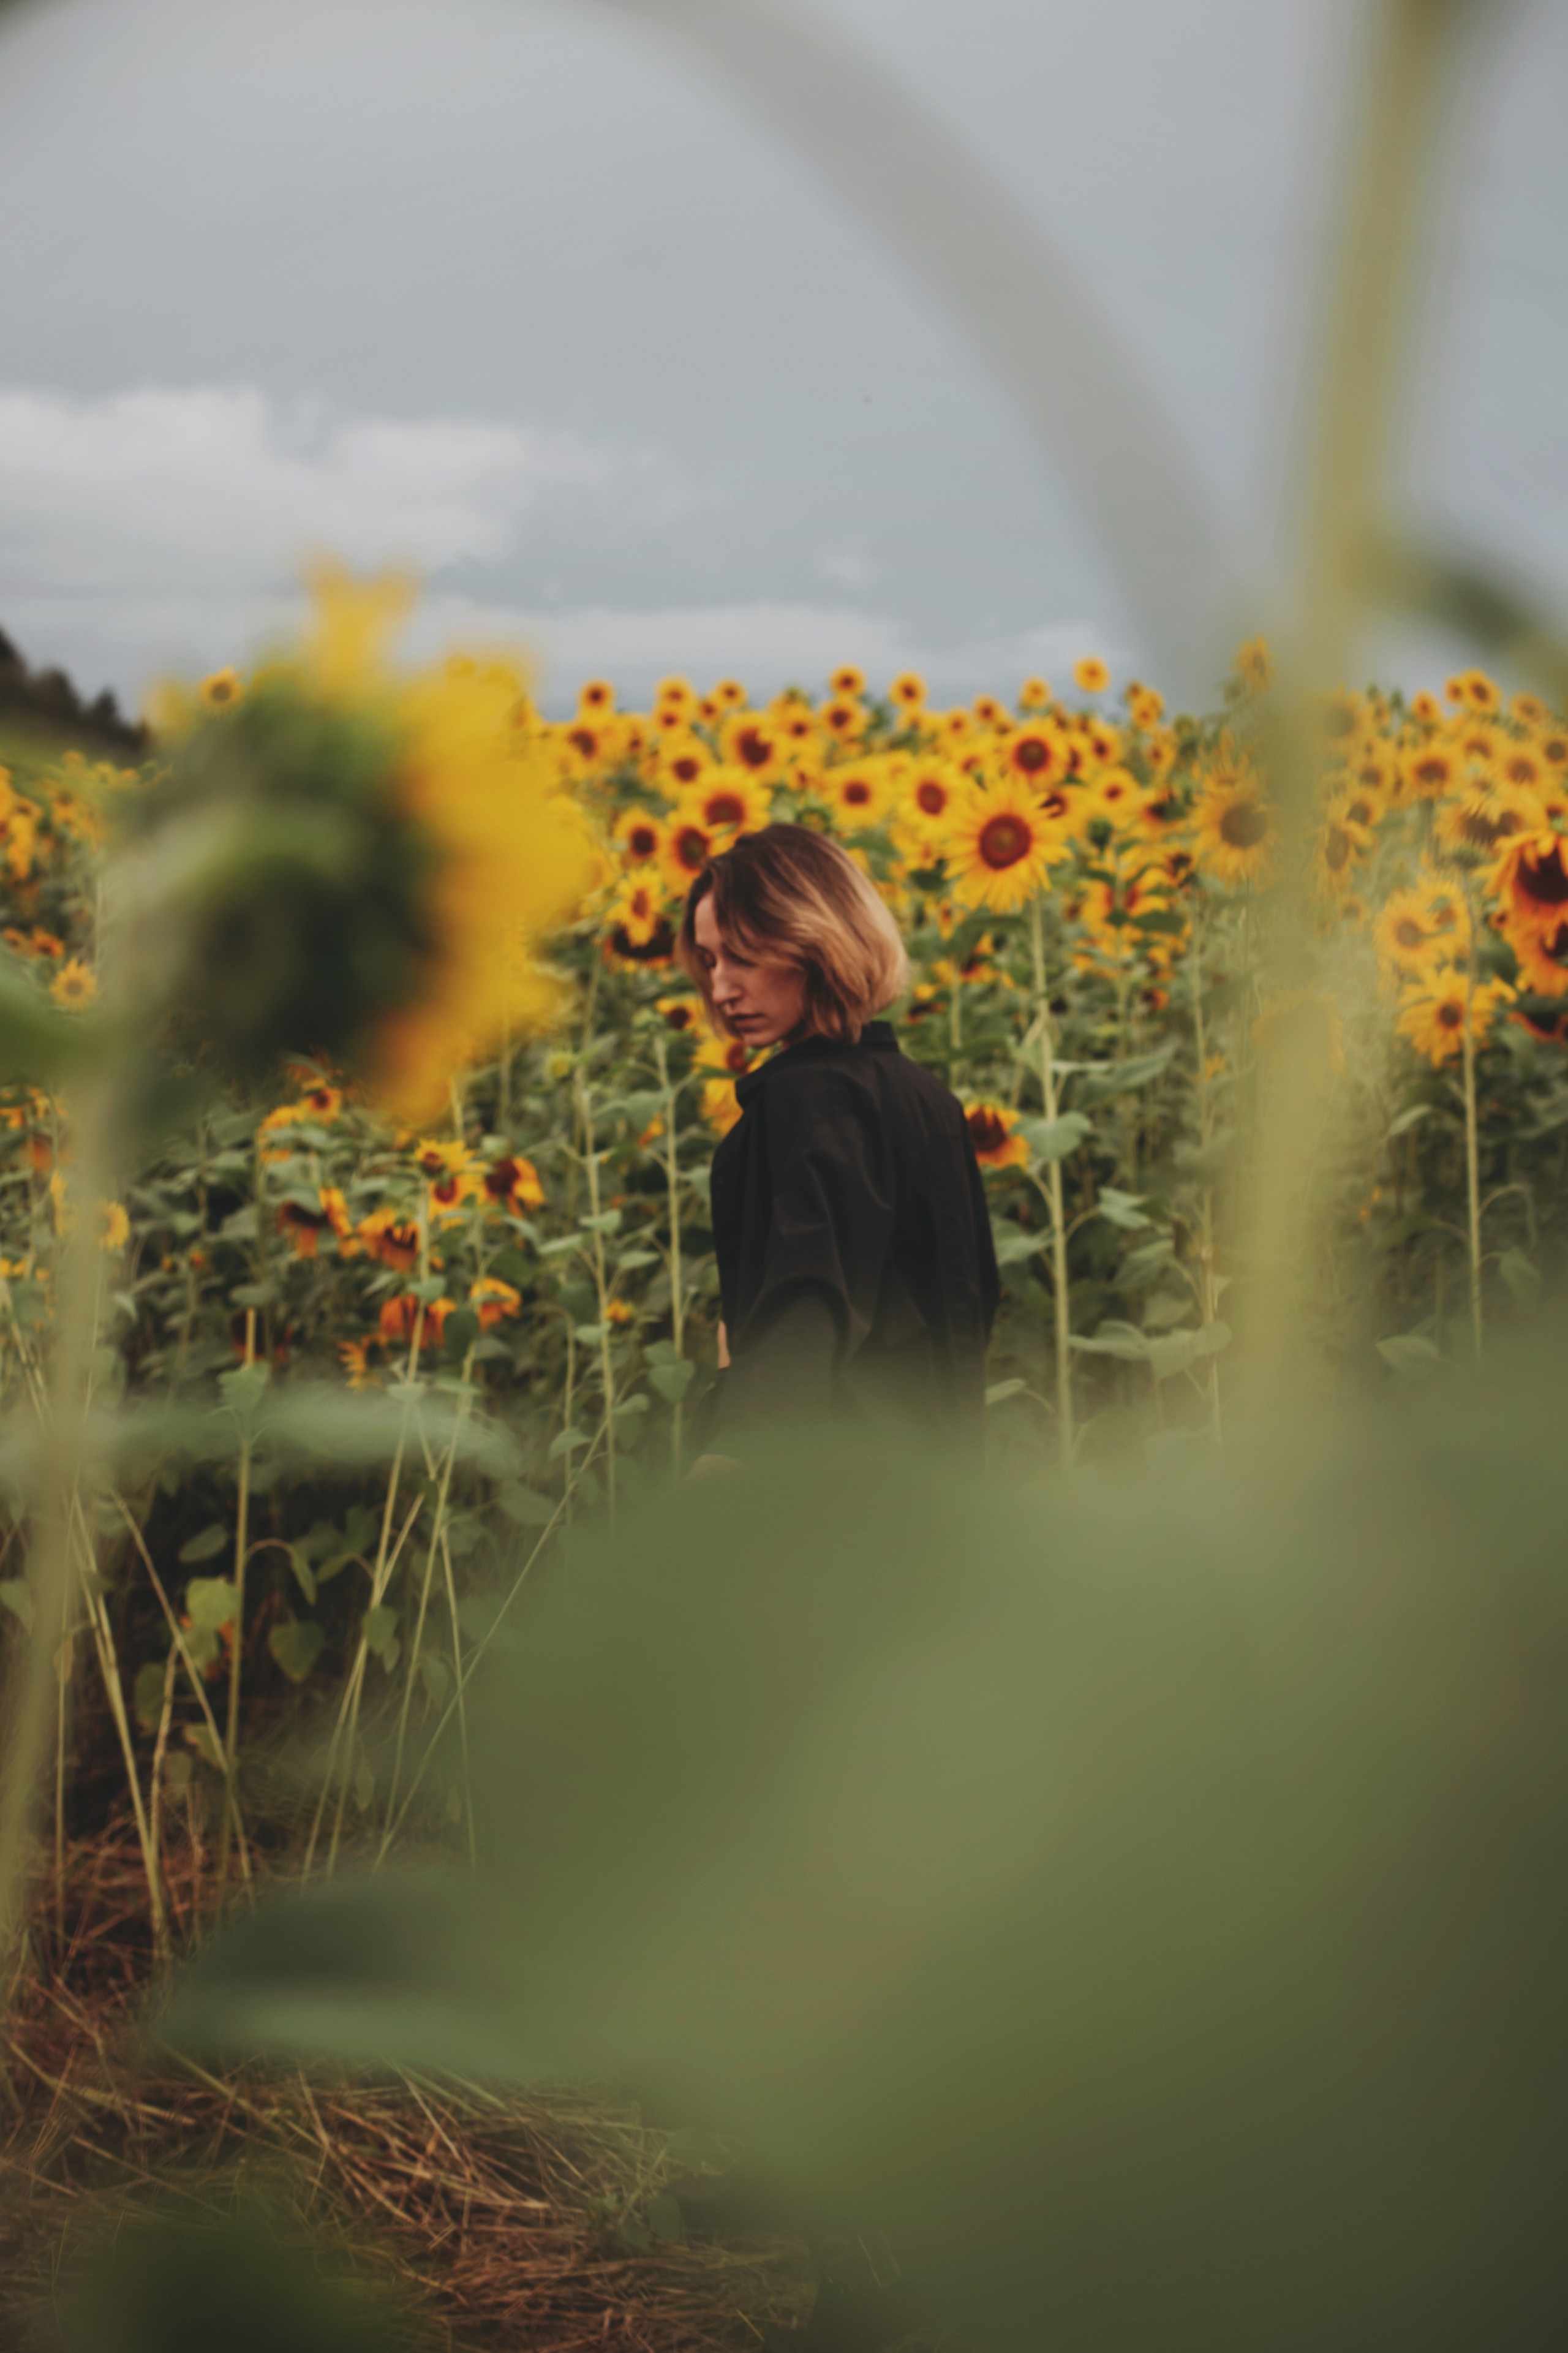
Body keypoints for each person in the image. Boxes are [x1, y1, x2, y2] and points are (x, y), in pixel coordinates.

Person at [679, 823, 999, 1470]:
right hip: (939, 1480)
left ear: (815, 943)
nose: (720, 989)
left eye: (742, 956)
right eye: (710, 961)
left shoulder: (806, 1098)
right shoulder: (928, 1098)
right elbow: (974, 1297)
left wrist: (730, 1460)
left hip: (826, 1488)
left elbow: (805, 1302)